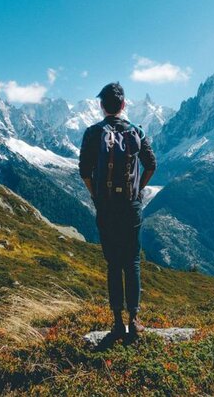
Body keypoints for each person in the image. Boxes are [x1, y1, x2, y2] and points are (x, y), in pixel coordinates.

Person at [79, 82, 156, 340]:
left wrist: (95, 195)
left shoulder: (92, 133)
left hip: (106, 206)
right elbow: (151, 165)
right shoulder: (137, 132)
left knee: (113, 264)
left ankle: (116, 323)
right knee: (132, 261)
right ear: (123, 105)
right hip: (131, 207)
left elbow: (84, 171)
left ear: (102, 106)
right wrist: (138, 189)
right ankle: (134, 321)